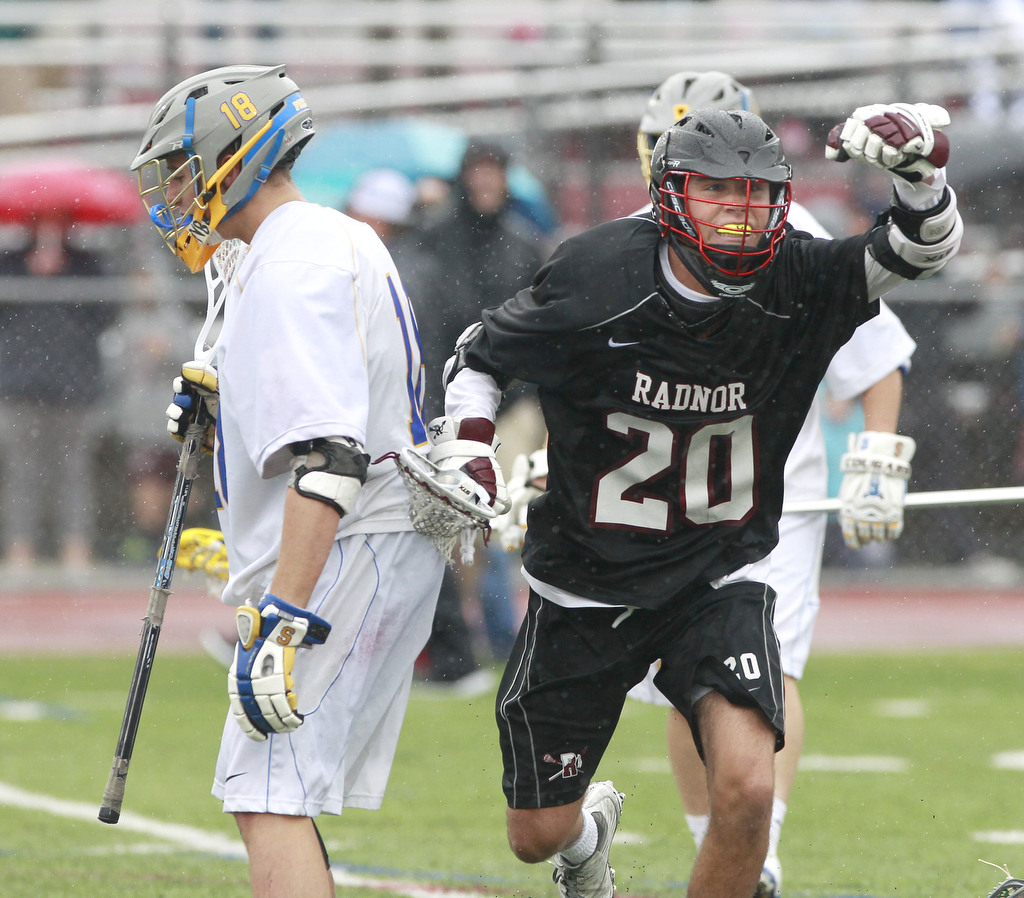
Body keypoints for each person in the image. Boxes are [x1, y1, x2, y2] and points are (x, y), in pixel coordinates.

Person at [427, 102, 961, 898]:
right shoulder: (599, 271)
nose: (740, 213)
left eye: (757, 194)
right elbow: (480, 357)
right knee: (535, 834)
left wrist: (921, 178)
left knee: (746, 790)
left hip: (718, 572)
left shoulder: (794, 275)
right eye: (717, 191)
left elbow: (918, 250)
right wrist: (472, 447)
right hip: (586, 579)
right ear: (670, 193)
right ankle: (585, 838)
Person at [130, 64, 444, 898]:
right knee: (270, 790)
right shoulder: (303, 242)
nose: (174, 191)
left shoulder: (292, 261)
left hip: (351, 544)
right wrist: (226, 399)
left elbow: (332, 458)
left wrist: (285, 616)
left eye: (183, 168)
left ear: (233, 154)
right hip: (363, 540)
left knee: (267, 794)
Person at [625, 71, 918, 898]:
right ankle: (719, 851)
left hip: (772, 491)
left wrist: (877, 457)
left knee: (768, 661)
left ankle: (764, 856)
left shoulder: (792, 234)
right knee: (678, 682)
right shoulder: (620, 248)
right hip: (663, 496)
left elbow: (877, 355)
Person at [416, 140, 547, 686]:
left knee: (495, 518)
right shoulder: (438, 238)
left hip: (511, 400)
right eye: (479, 172)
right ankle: (480, 636)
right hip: (451, 396)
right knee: (458, 522)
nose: (487, 182)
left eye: (494, 171)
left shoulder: (523, 244)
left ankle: (493, 635)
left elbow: (539, 321)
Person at [0, 217, 117, 569]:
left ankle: (75, 547)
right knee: (22, 471)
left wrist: (65, 275)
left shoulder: (87, 264)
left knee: (73, 471)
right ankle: (21, 547)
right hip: (21, 384)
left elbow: (106, 313)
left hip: (74, 385)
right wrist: (29, 276)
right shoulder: (10, 262)